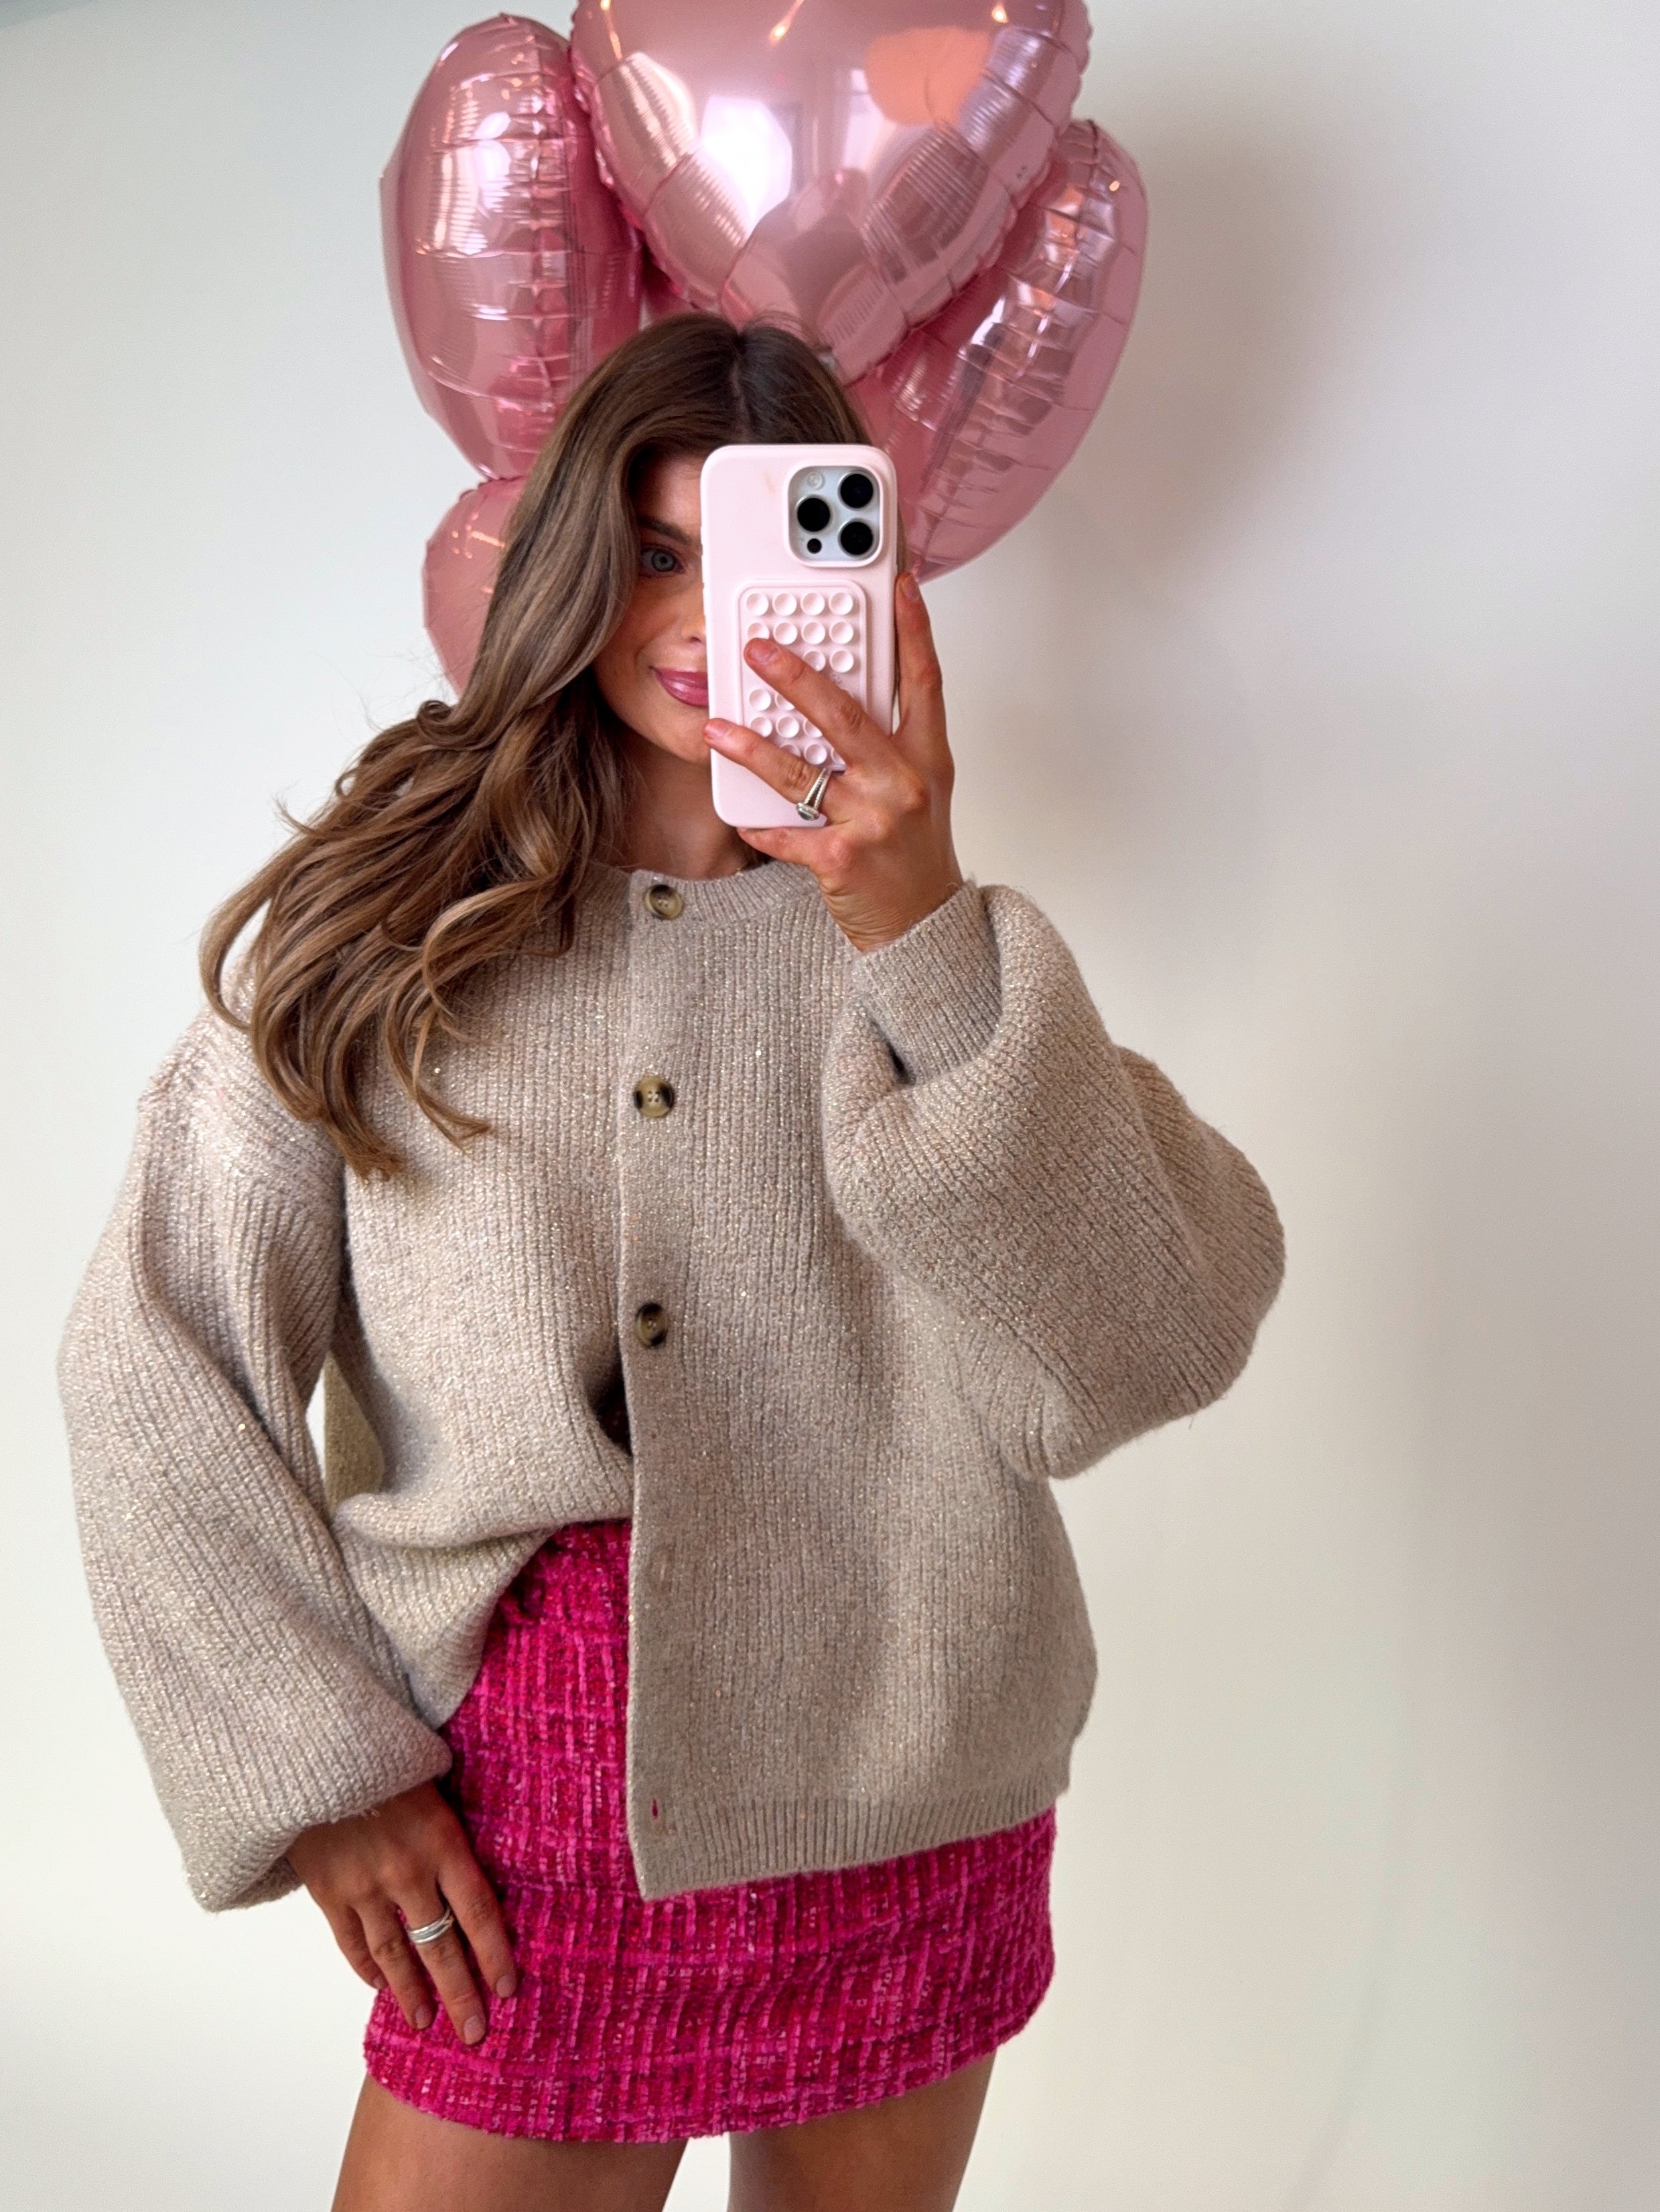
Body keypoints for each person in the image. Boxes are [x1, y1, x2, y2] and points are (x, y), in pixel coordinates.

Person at [59, 312, 1285, 2212]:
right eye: (654, 552)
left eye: (771, 550)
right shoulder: (389, 932)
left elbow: (1150, 1338)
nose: (710, 617)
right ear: (570, 565)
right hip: (534, 1805)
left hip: (915, 1760)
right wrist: (317, 1770)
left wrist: (920, 924)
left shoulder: (928, 953)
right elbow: (155, 1350)